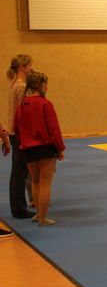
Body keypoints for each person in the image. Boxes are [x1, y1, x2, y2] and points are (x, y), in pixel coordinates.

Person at [14, 72, 64, 226]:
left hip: (28, 148)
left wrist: (23, 143)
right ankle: (43, 218)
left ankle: (37, 214)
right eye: (45, 84)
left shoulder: (22, 105)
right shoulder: (45, 104)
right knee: (45, 183)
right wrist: (60, 148)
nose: (47, 87)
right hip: (45, 148)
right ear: (40, 85)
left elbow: (17, 128)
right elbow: (54, 129)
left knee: (35, 181)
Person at [7, 54, 34, 219]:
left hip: (14, 132)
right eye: (29, 65)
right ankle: (19, 209)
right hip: (20, 133)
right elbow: (24, 113)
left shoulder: (14, 84)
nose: (31, 68)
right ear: (22, 67)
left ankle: (17, 207)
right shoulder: (22, 86)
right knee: (20, 173)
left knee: (17, 173)